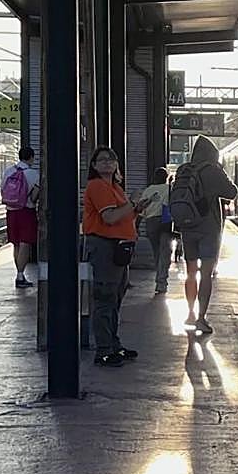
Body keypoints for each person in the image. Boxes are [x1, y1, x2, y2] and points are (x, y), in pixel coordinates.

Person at [82, 146, 151, 367]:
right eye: (101, 160)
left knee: (115, 298)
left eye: (111, 159)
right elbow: (110, 217)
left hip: (118, 247)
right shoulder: (97, 186)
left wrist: (137, 208)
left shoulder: (114, 187)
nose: (107, 163)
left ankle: (113, 344)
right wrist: (131, 204)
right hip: (105, 247)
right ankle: (104, 350)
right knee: (105, 298)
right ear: (93, 166)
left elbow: (123, 215)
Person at [172, 135, 237, 334]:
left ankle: (190, 313)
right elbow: (231, 192)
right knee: (206, 274)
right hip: (208, 227)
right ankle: (201, 318)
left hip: (187, 227)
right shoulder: (212, 170)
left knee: (190, 272)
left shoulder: (184, 169)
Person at [1, 146, 41, 289]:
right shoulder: (33, 174)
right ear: (31, 157)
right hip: (26, 211)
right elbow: (35, 196)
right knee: (25, 243)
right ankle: (19, 275)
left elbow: (2, 190)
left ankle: (20, 274)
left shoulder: (9, 171)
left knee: (16, 243)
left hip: (11, 211)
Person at [138, 168, 173, 294]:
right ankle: (161, 282)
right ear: (166, 177)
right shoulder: (169, 188)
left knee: (157, 252)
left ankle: (159, 276)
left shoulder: (148, 190)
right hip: (165, 222)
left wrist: (136, 227)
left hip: (150, 222)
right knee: (165, 253)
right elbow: (168, 205)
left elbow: (141, 210)